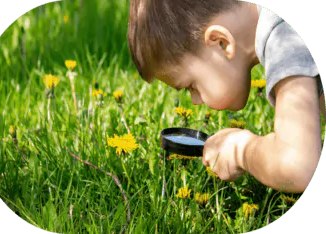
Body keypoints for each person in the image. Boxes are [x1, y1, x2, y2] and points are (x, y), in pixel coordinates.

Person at [127, 0, 325, 193]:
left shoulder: (285, 38)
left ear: (221, 42)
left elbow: (298, 166)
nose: (195, 100)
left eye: (191, 86)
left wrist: (242, 151)